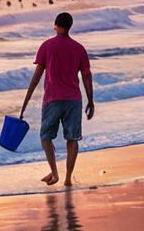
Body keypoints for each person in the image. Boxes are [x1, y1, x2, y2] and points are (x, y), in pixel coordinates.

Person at [19, 11, 94, 188]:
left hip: (52, 99)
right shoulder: (79, 48)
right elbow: (87, 76)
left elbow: (37, 76)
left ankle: (54, 172)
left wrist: (25, 102)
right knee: (72, 138)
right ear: (69, 27)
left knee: (45, 136)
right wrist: (90, 100)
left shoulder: (47, 46)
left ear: (56, 26)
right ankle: (68, 178)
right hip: (74, 100)